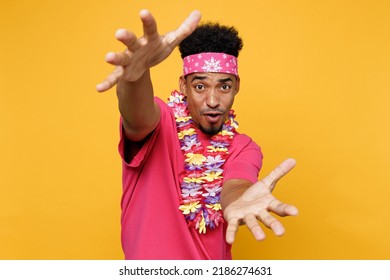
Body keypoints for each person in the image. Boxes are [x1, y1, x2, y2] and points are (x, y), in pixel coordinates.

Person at [96, 10, 298, 260]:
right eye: (200, 86)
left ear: (236, 86)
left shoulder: (243, 147)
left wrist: (241, 199)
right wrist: (136, 76)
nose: (213, 101)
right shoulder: (160, 122)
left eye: (224, 86)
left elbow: (235, 186)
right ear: (183, 86)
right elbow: (137, 117)